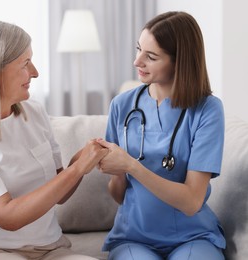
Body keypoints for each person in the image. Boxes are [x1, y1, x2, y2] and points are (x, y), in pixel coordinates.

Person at [0, 21, 108, 260]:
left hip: (49, 249)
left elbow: (59, 194)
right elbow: (9, 217)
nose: (35, 72)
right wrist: (77, 170)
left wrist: (79, 162)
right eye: (25, 63)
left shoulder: (35, 113)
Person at [96, 11, 226, 260]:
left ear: (180, 62)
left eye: (151, 56)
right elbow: (118, 194)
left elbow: (191, 202)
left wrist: (132, 166)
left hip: (193, 235)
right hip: (133, 236)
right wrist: (115, 171)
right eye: (138, 50)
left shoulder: (207, 110)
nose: (137, 62)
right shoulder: (122, 106)